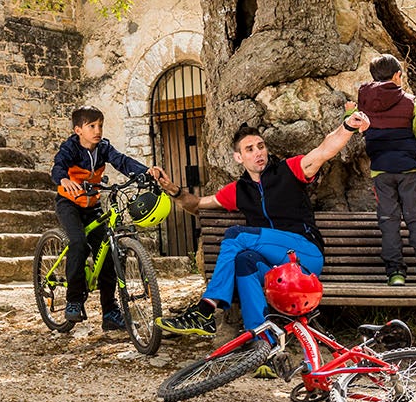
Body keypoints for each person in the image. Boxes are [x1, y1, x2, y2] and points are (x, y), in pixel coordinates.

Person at [153, 110, 371, 351]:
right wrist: (172, 189)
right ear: (238, 157)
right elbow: (196, 205)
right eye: (250, 149)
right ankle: (262, 349)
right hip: (276, 269)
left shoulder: (290, 170)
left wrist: (348, 127)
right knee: (245, 261)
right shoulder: (238, 190)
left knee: (236, 236)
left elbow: (324, 150)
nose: (258, 152)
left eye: (261, 146)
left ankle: (205, 310)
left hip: (305, 255)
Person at [50, 105, 167, 330]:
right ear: (78, 130)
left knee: (108, 254)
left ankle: (110, 312)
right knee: (78, 244)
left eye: (100, 126)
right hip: (69, 205)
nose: (97, 130)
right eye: (91, 126)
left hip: (92, 204)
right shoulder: (70, 148)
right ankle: (73, 301)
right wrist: (63, 180)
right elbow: (58, 167)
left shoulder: (103, 148)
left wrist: (145, 171)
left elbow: (122, 161)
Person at [351, 54, 416, 286]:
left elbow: (352, 122)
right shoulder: (410, 102)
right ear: (397, 76)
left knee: (389, 223)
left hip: (381, 173)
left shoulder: (364, 101)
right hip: (409, 171)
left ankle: (395, 273)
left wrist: (347, 112)